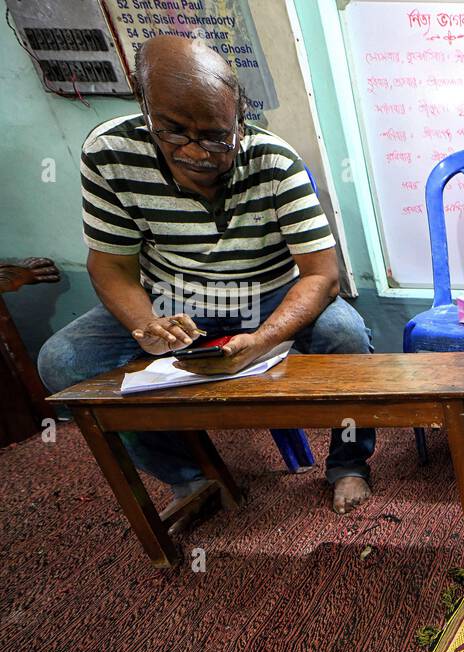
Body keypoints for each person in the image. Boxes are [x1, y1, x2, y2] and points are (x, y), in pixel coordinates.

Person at [38, 36, 375, 514]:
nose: (198, 152)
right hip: (170, 298)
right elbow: (110, 265)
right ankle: (191, 478)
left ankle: (348, 463)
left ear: (239, 118)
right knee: (64, 362)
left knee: (345, 333)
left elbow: (322, 275)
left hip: (267, 291)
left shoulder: (274, 161)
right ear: (144, 106)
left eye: (217, 136)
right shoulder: (110, 152)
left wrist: (262, 338)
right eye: (174, 132)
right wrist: (144, 324)